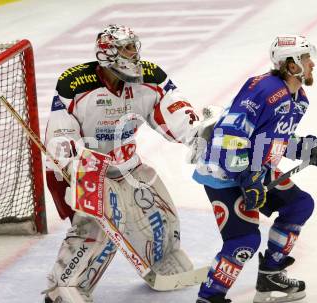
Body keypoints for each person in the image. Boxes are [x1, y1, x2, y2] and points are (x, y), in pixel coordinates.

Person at [43, 24, 200, 302]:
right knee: (97, 228)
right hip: (86, 169)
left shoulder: (151, 78)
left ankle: (164, 261)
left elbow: (173, 113)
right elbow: (61, 135)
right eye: (126, 48)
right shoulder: (75, 84)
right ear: (108, 54)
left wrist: (197, 134)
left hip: (128, 164)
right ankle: (65, 286)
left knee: (158, 212)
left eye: (133, 46)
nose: (134, 54)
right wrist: (70, 167)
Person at [192, 35, 317, 303]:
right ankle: (208, 298)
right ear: (291, 64)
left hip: (253, 168)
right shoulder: (262, 89)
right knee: (244, 241)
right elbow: (230, 134)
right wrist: (247, 178)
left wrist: (311, 149)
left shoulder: (299, 99)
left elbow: (275, 142)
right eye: (307, 59)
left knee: (299, 205)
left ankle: (270, 274)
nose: (312, 65)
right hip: (223, 172)